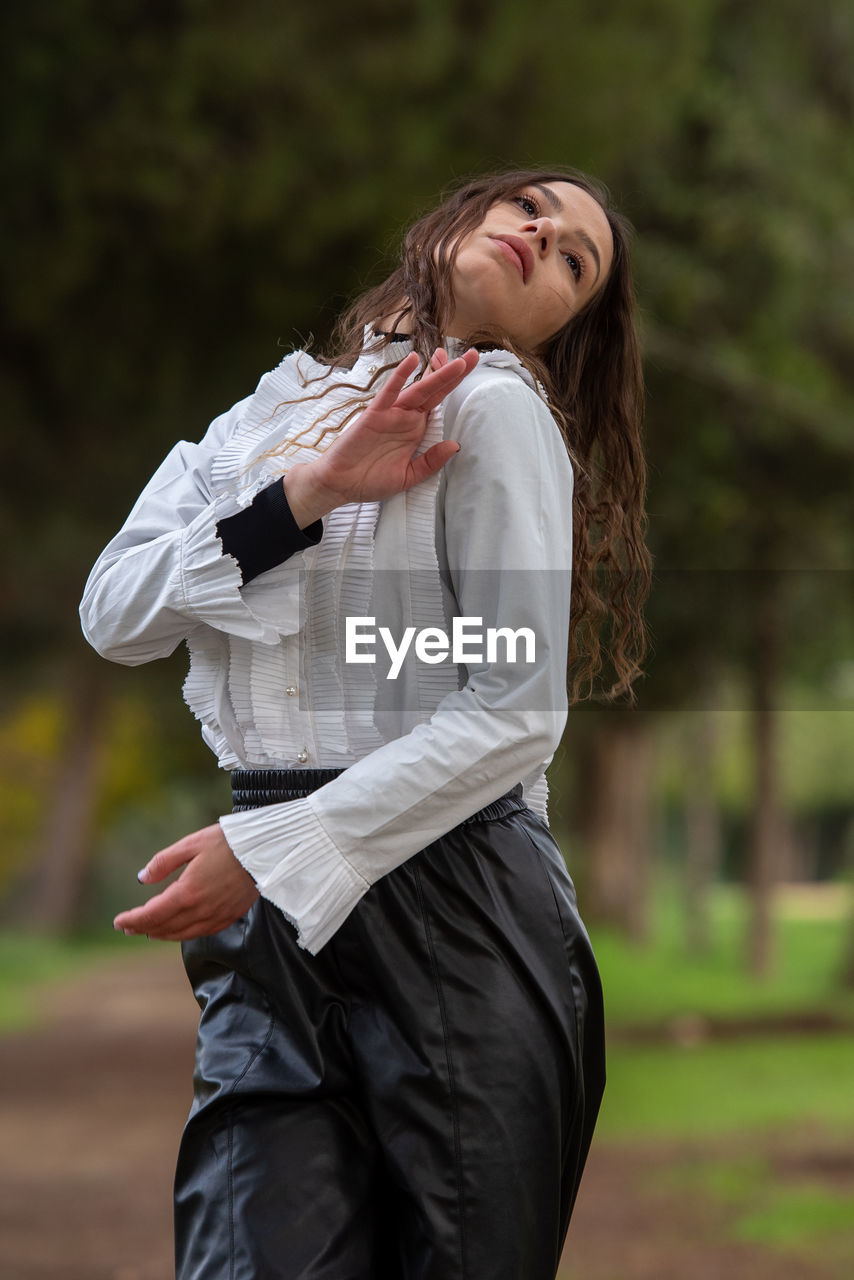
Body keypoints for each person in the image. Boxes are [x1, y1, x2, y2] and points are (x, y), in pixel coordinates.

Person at [80, 166, 651, 1280]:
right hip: (267, 931)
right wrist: (306, 495)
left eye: (575, 259)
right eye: (528, 205)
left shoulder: (494, 410)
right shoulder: (256, 422)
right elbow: (113, 614)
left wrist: (269, 848)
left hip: (460, 905)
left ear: (554, 333)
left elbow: (512, 710)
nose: (541, 233)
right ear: (457, 214)